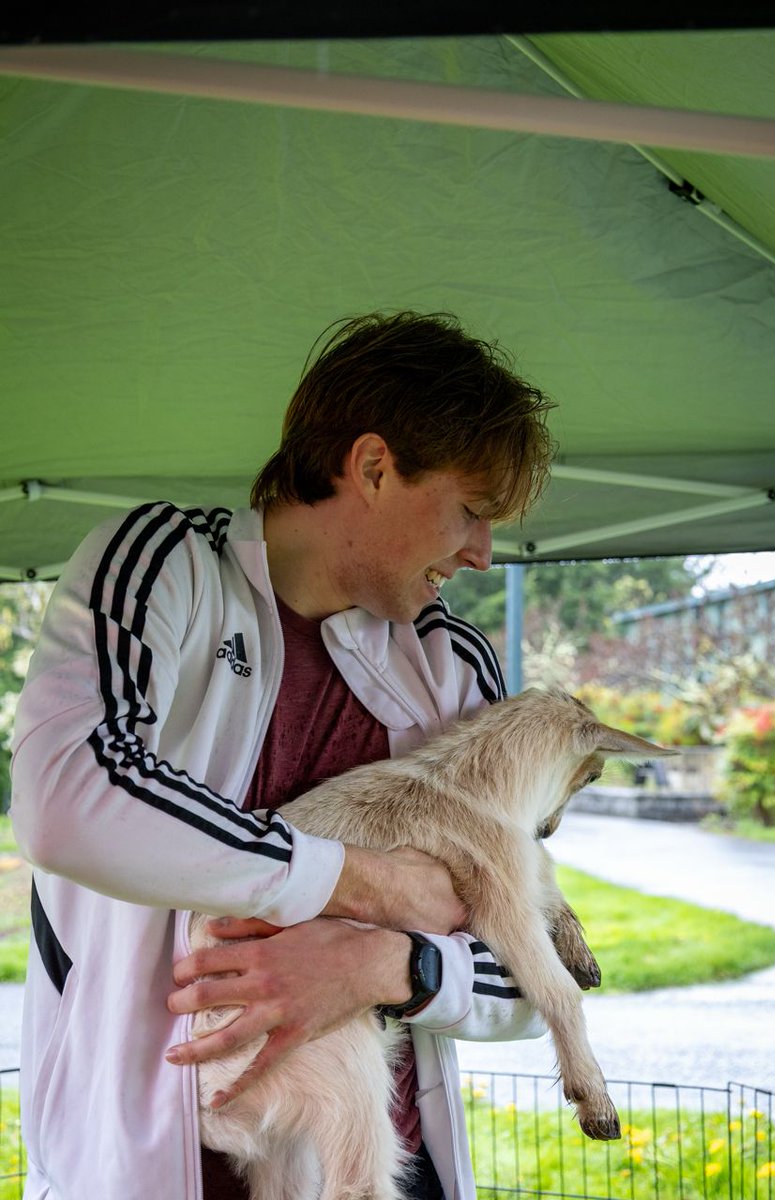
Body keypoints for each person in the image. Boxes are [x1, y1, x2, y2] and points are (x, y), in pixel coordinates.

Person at [11, 310, 555, 1200]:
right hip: (129, 1172)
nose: (484, 554)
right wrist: (367, 885)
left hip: (370, 1172)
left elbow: (537, 979)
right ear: (373, 466)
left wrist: (382, 966)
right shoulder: (162, 567)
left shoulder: (456, 668)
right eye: (470, 510)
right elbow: (67, 800)